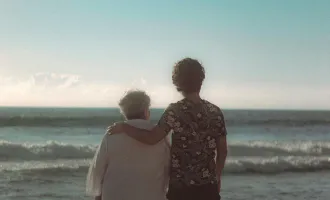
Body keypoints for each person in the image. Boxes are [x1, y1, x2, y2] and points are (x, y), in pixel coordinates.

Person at [108, 58, 228, 200]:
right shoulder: (215, 111)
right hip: (208, 187)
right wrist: (217, 176)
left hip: (181, 188)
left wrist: (124, 128)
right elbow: (222, 151)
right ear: (201, 80)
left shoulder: (175, 111)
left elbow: (152, 138)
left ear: (177, 82)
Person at [86, 90, 170, 200]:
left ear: (125, 113)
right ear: (146, 111)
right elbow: (170, 170)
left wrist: (98, 196)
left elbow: (99, 170)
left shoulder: (112, 133)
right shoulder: (159, 136)